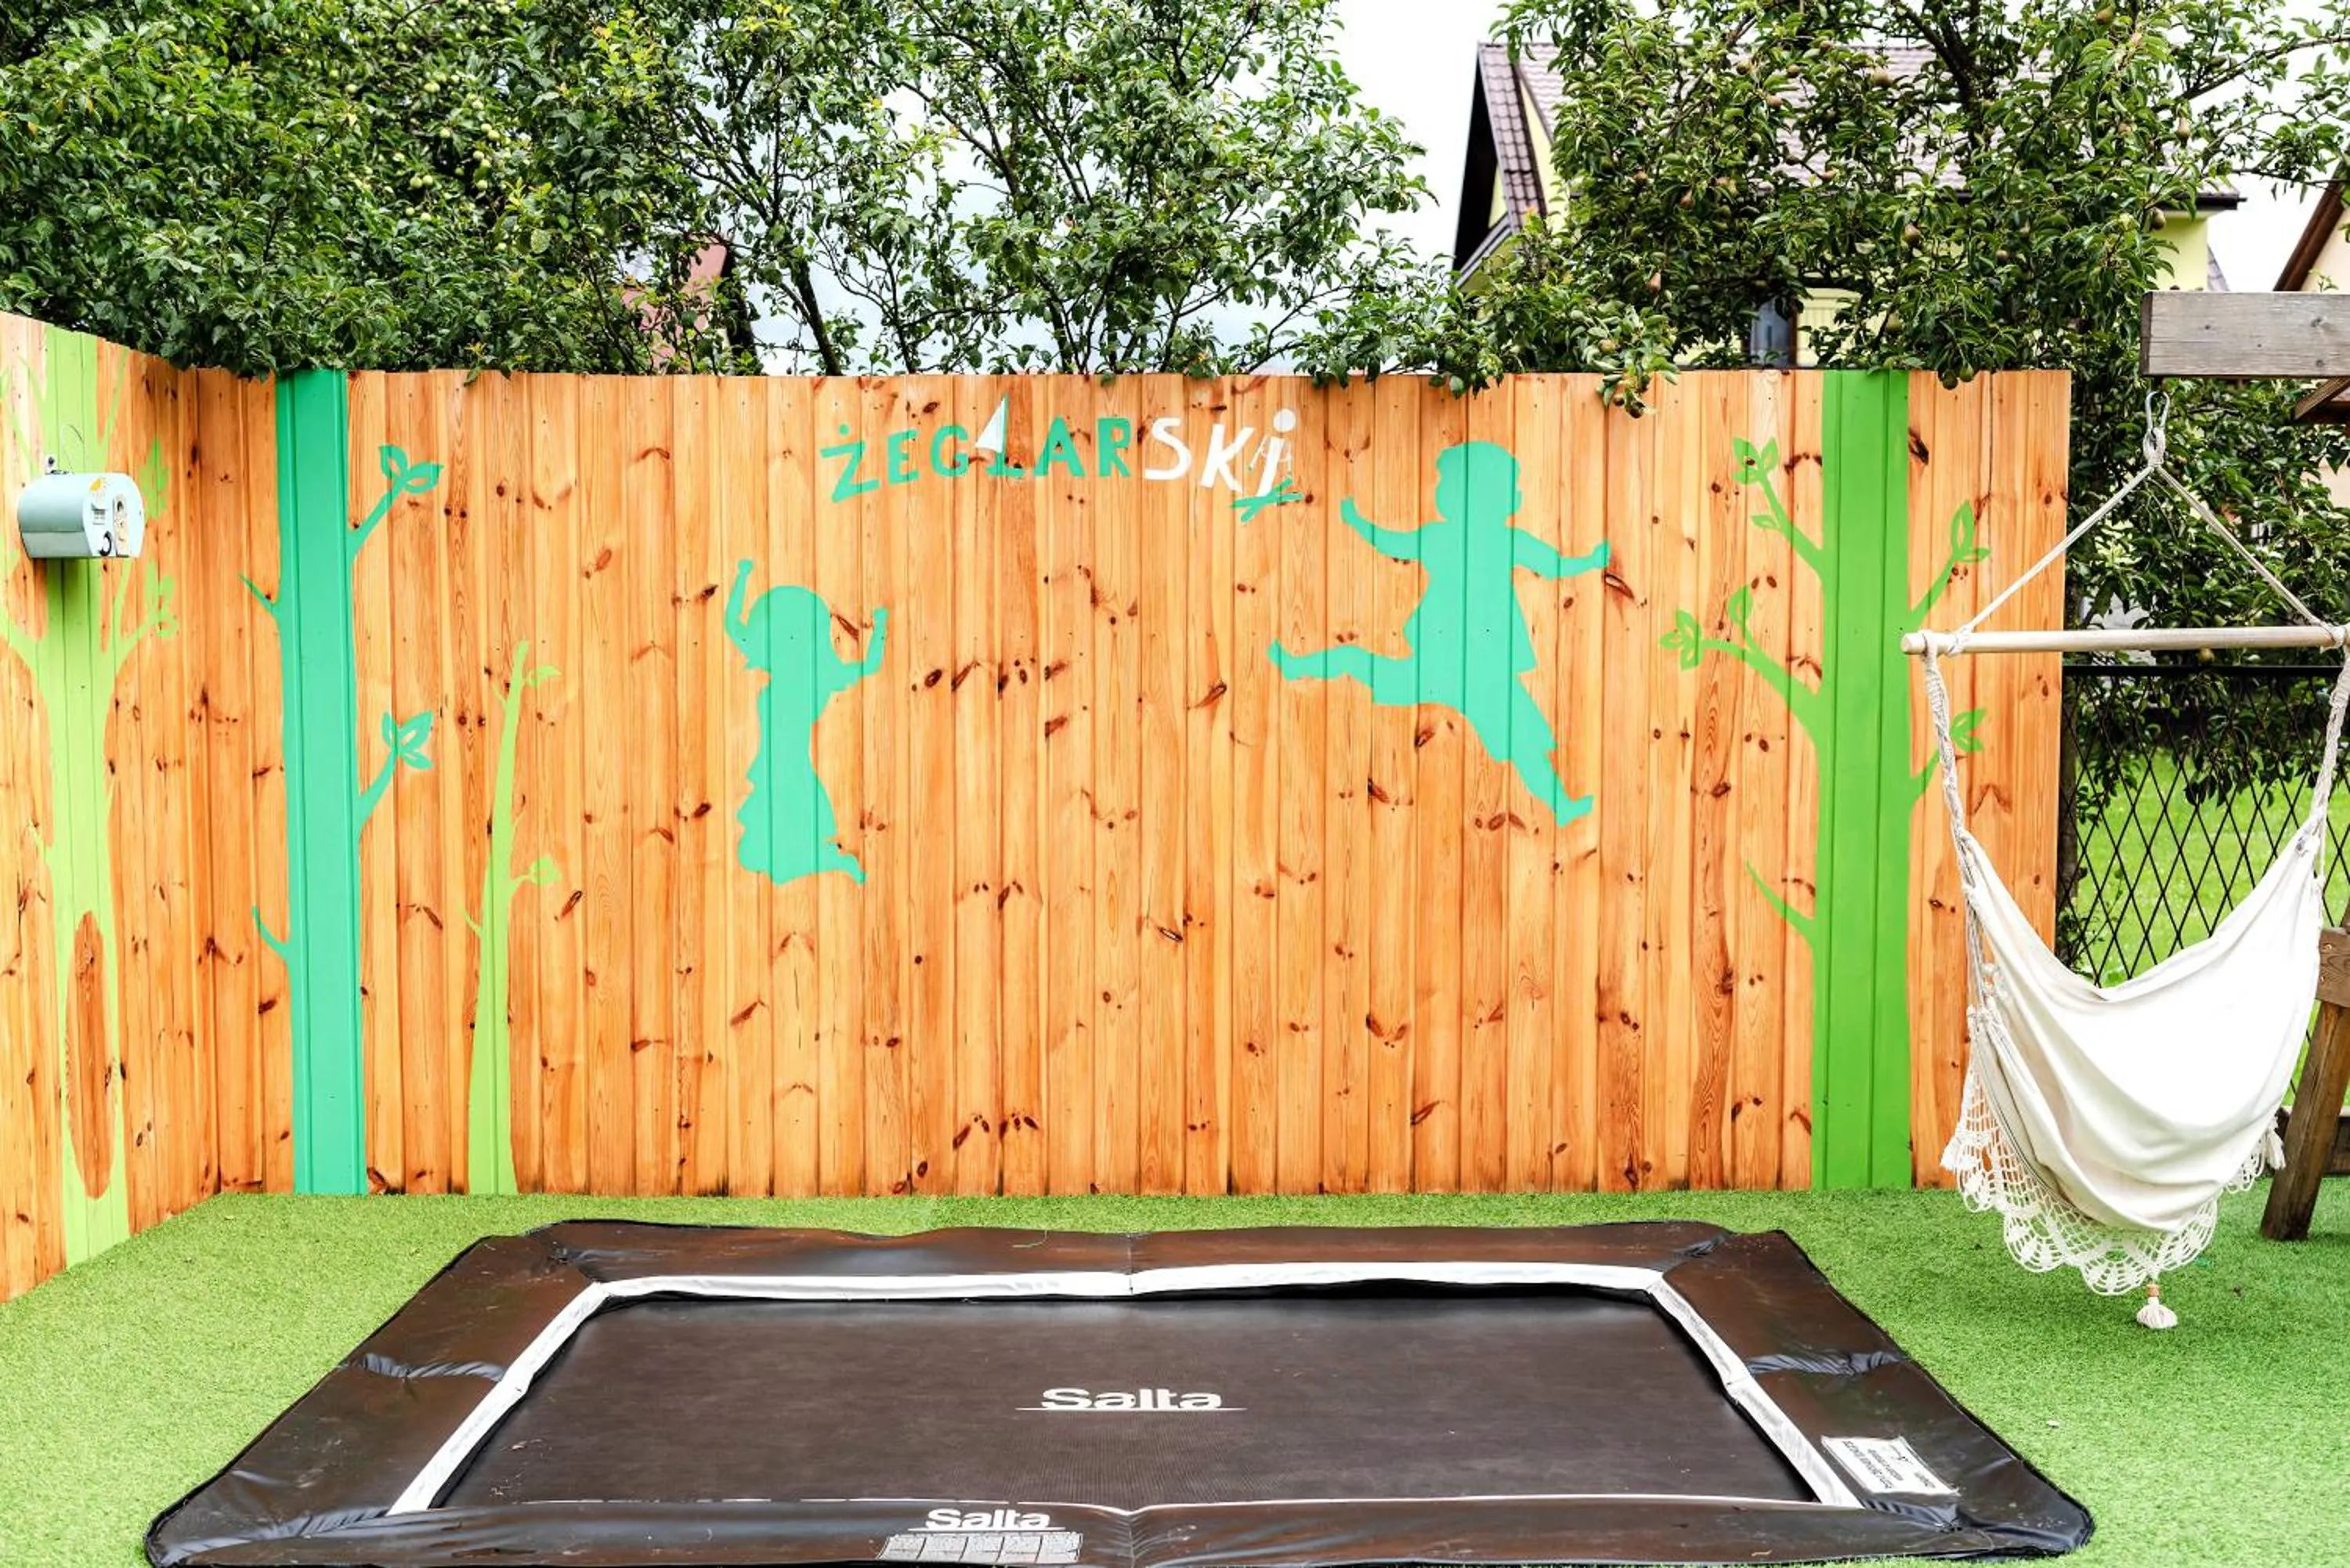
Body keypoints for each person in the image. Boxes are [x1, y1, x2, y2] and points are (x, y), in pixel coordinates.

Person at [1269, 440, 1607, 823]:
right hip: (1463, 661)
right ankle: (1561, 806)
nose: (1441, 490)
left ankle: (1561, 807)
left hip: (1467, 662)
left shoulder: (1474, 538)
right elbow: (1554, 564)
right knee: (1521, 736)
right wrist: (1359, 524)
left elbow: (1552, 563)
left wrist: (1359, 524)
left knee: (1522, 734)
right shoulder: (1471, 538)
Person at [725, 560, 888, 883]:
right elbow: (734, 626)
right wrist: (741, 579)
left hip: (788, 770)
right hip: (775, 767)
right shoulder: (808, 679)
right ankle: (831, 863)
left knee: (764, 854)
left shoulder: (814, 679)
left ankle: (833, 864)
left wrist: (880, 625)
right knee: (759, 853)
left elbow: (870, 666)